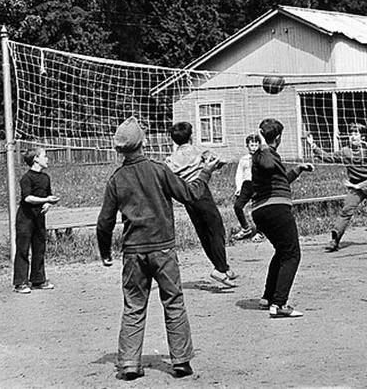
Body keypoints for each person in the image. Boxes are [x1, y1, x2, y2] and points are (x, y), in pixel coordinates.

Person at [97, 116, 220, 380]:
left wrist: (105, 252)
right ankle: (181, 361)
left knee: (133, 305)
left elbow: (104, 222)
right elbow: (190, 194)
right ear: (143, 142)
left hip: (133, 252)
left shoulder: (116, 179)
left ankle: (129, 363)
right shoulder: (158, 169)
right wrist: (206, 171)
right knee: (173, 301)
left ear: (120, 149)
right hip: (163, 249)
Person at [251, 118, 314, 318]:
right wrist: (263, 143)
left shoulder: (266, 155)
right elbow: (269, 165)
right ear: (278, 138)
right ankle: (279, 305)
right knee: (292, 254)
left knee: (282, 252)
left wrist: (298, 169)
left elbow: (279, 179)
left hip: (265, 209)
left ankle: (268, 298)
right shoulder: (264, 153)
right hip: (274, 209)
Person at [165, 122, 237, 288]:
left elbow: (168, 173)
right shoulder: (198, 151)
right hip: (201, 192)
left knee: (203, 232)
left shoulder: (171, 159)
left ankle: (224, 268)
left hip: (186, 197)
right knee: (216, 229)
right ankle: (220, 268)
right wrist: (214, 163)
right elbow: (219, 161)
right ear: (191, 136)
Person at [306, 122, 367, 252]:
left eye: (356, 133)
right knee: (346, 211)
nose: (352, 136)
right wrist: (313, 146)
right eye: (351, 133)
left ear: (362, 137)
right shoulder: (345, 152)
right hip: (355, 187)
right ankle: (335, 240)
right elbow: (328, 158)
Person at [12, 147, 60, 294]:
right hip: (25, 218)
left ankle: (38, 280)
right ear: (36, 159)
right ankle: (20, 283)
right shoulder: (26, 178)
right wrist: (45, 200)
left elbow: (48, 195)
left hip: (39, 218)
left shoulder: (46, 178)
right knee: (23, 249)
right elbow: (28, 198)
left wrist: (48, 204)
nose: (47, 159)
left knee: (39, 248)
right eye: (44, 156)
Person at [232, 133, 264, 242]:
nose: (254, 147)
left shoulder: (262, 158)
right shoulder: (244, 159)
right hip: (247, 185)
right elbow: (239, 174)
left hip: (258, 185)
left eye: (256, 145)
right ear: (247, 146)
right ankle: (246, 228)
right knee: (237, 206)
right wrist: (238, 187)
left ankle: (260, 232)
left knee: (258, 209)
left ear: (259, 145)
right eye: (251, 145)